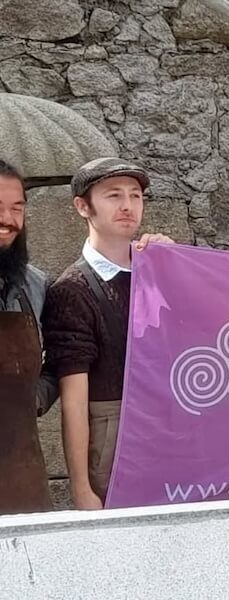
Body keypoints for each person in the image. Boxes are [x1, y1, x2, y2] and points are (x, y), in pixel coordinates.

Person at [42, 158, 173, 509]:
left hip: (172, 428)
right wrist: (81, 488)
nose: (128, 206)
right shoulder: (73, 289)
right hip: (113, 436)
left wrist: (179, 267)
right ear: (83, 206)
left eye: (136, 195)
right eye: (113, 195)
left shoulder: (159, 267)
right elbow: (74, 400)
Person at [0, 159, 57, 515]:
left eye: (16, 208)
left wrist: (33, 398)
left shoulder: (35, 286)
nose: (8, 220)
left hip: (22, 477)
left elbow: (62, 362)